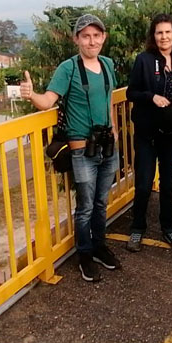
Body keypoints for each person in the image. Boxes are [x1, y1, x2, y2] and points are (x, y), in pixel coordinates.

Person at [20, 14, 120, 282]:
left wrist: (114, 130)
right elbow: (48, 101)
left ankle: (100, 246)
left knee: (101, 202)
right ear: (76, 39)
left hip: (108, 147)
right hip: (82, 149)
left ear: (103, 37)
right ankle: (84, 255)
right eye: (85, 36)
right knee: (86, 206)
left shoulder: (108, 64)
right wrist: (31, 95)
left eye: (96, 35)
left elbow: (109, 99)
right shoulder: (69, 68)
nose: (92, 41)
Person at [125, 14, 172, 253]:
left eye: (168, 32)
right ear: (154, 36)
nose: (164, 37)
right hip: (147, 133)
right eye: (159, 32)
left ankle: (168, 227)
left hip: (170, 134)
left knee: (168, 184)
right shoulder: (144, 60)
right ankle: (137, 228)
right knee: (143, 183)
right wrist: (151, 96)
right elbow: (131, 92)